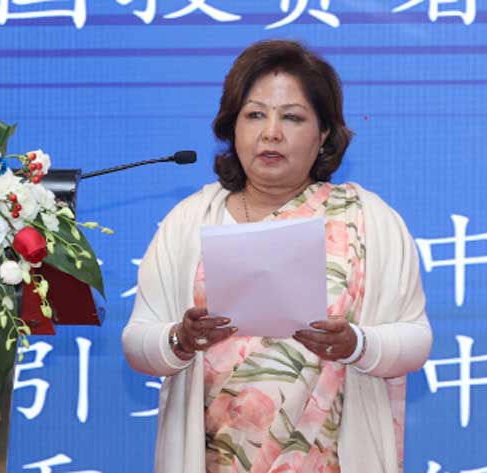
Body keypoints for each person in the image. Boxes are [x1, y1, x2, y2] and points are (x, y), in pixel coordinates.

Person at [122, 39, 432, 473]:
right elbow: (137, 341)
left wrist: (356, 344)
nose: (271, 132)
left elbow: (416, 339)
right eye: (255, 115)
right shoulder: (191, 220)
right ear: (232, 127)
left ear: (324, 134)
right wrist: (181, 339)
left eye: (292, 117)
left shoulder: (367, 220)